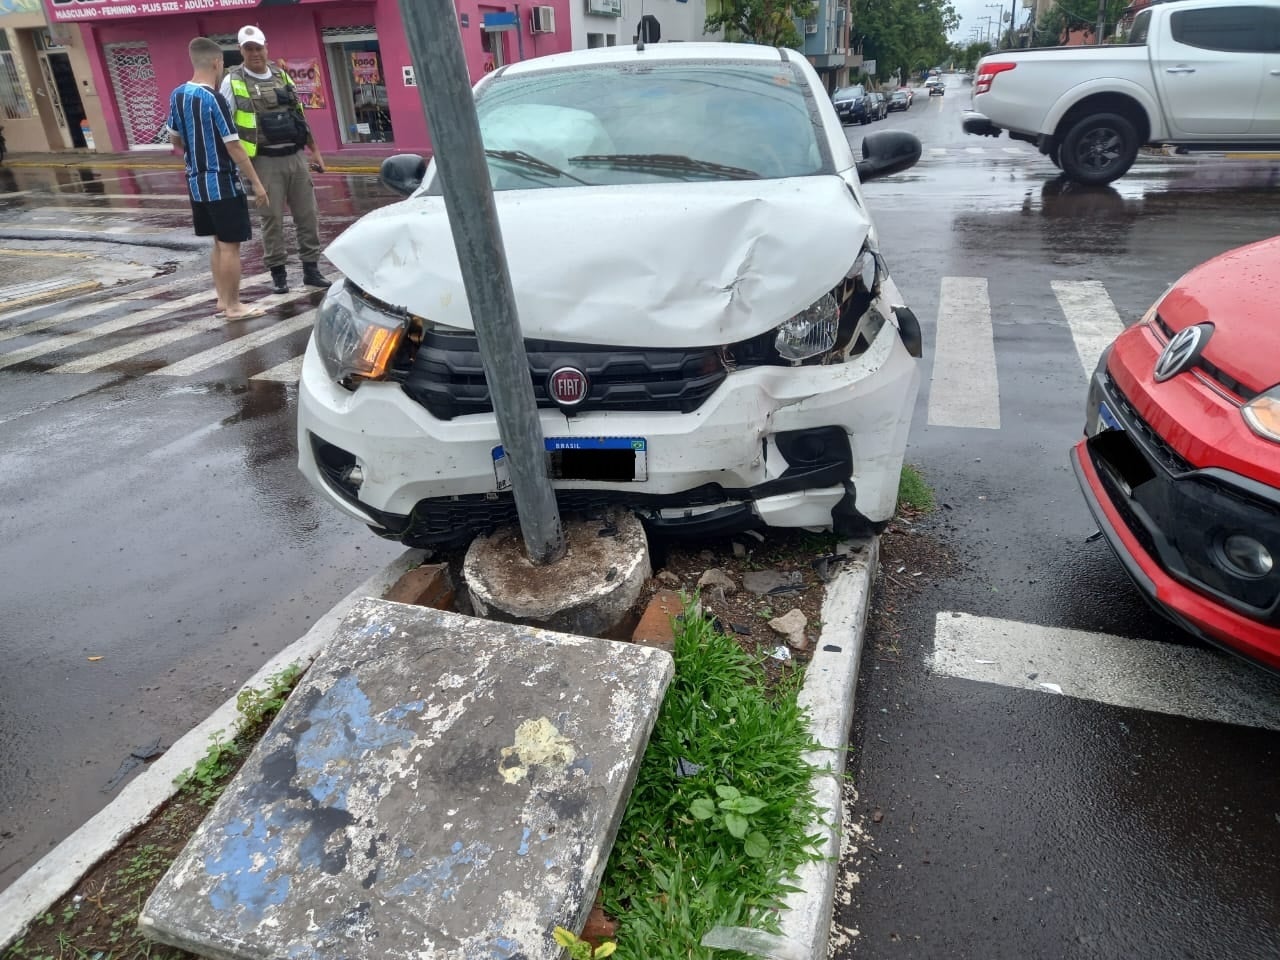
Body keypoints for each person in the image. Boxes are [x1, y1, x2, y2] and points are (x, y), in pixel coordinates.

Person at [221, 26, 330, 294]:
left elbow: (299, 117)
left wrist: (314, 151)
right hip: (263, 161)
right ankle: (279, 274)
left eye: (259, 48)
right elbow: (225, 127)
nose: (255, 53)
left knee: (308, 216)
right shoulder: (232, 81)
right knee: (271, 219)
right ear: (241, 51)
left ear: (266, 48)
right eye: (249, 49)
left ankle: (311, 270)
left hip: (295, 156)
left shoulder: (282, 76)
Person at [169, 36, 269, 321]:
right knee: (230, 245)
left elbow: (175, 138)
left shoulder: (178, 95)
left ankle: (222, 300)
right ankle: (235, 305)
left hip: (196, 182)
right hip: (222, 181)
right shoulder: (213, 99)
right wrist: (257, 183)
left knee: (218, 242)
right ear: (217, 62)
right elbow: (233, 144)